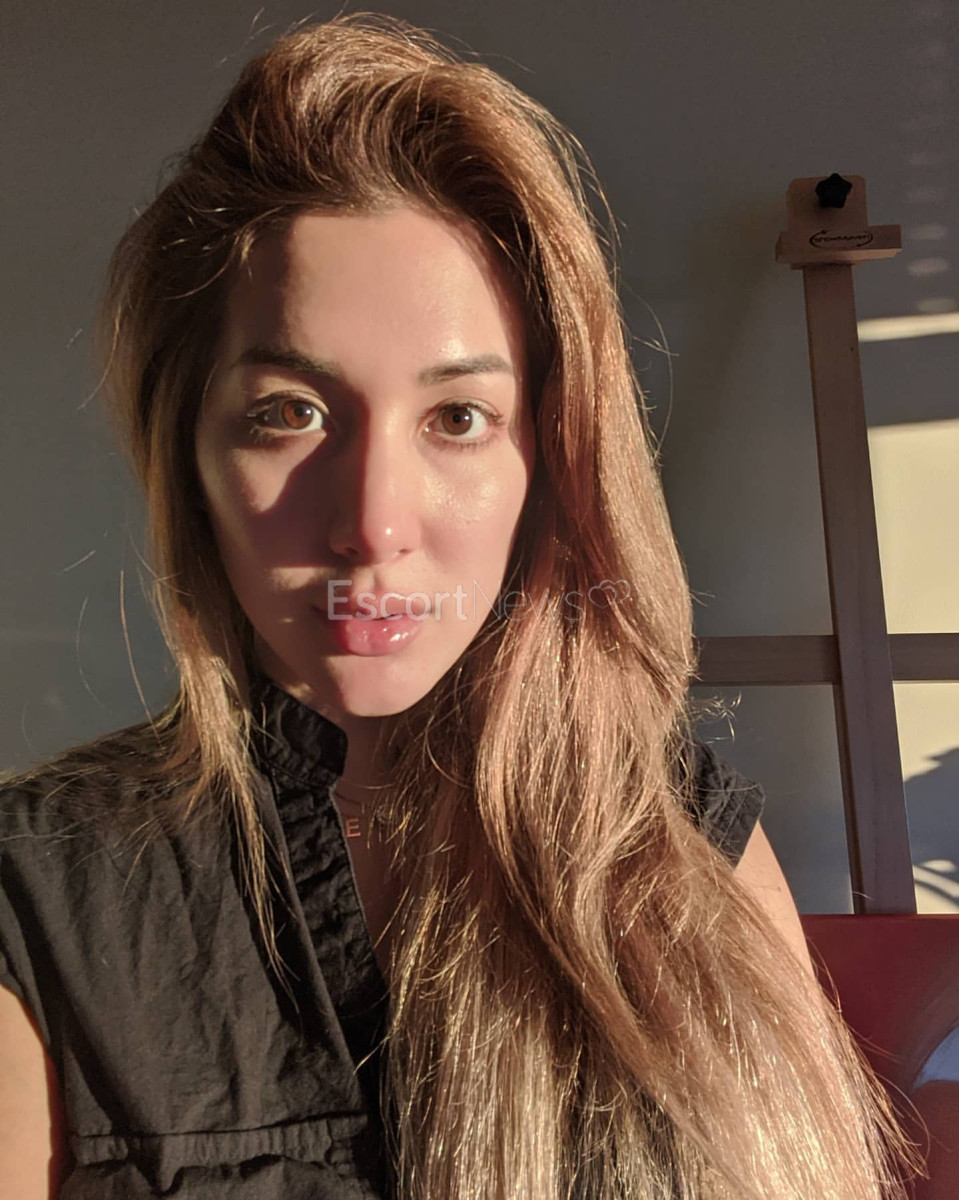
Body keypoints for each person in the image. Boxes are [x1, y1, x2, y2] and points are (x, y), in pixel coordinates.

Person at [0, 13, 922, 1200]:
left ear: (551, 457)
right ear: (188, 449)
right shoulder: (41, 897)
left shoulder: (680, 840)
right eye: (288, 413)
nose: (373, 523)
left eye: (457, 418)